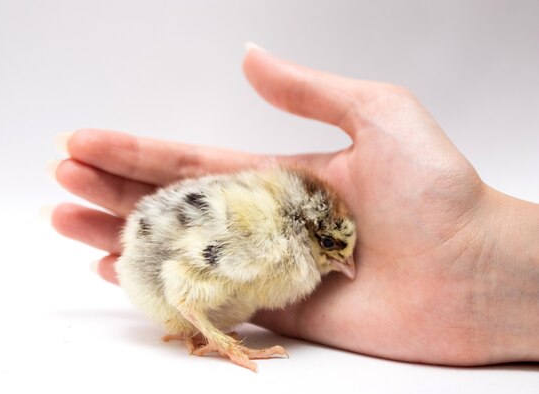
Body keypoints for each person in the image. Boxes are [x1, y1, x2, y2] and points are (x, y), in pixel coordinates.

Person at [45, 44, 539, 365]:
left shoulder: (277, 230)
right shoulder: (270, 234)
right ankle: (210, 335)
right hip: (170, 274)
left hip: (157, 263)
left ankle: (202, 332)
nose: (343, 262)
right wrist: (223, 339)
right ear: (308, 230)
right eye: (334, 248)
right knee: (202, 282)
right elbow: (186, 276)